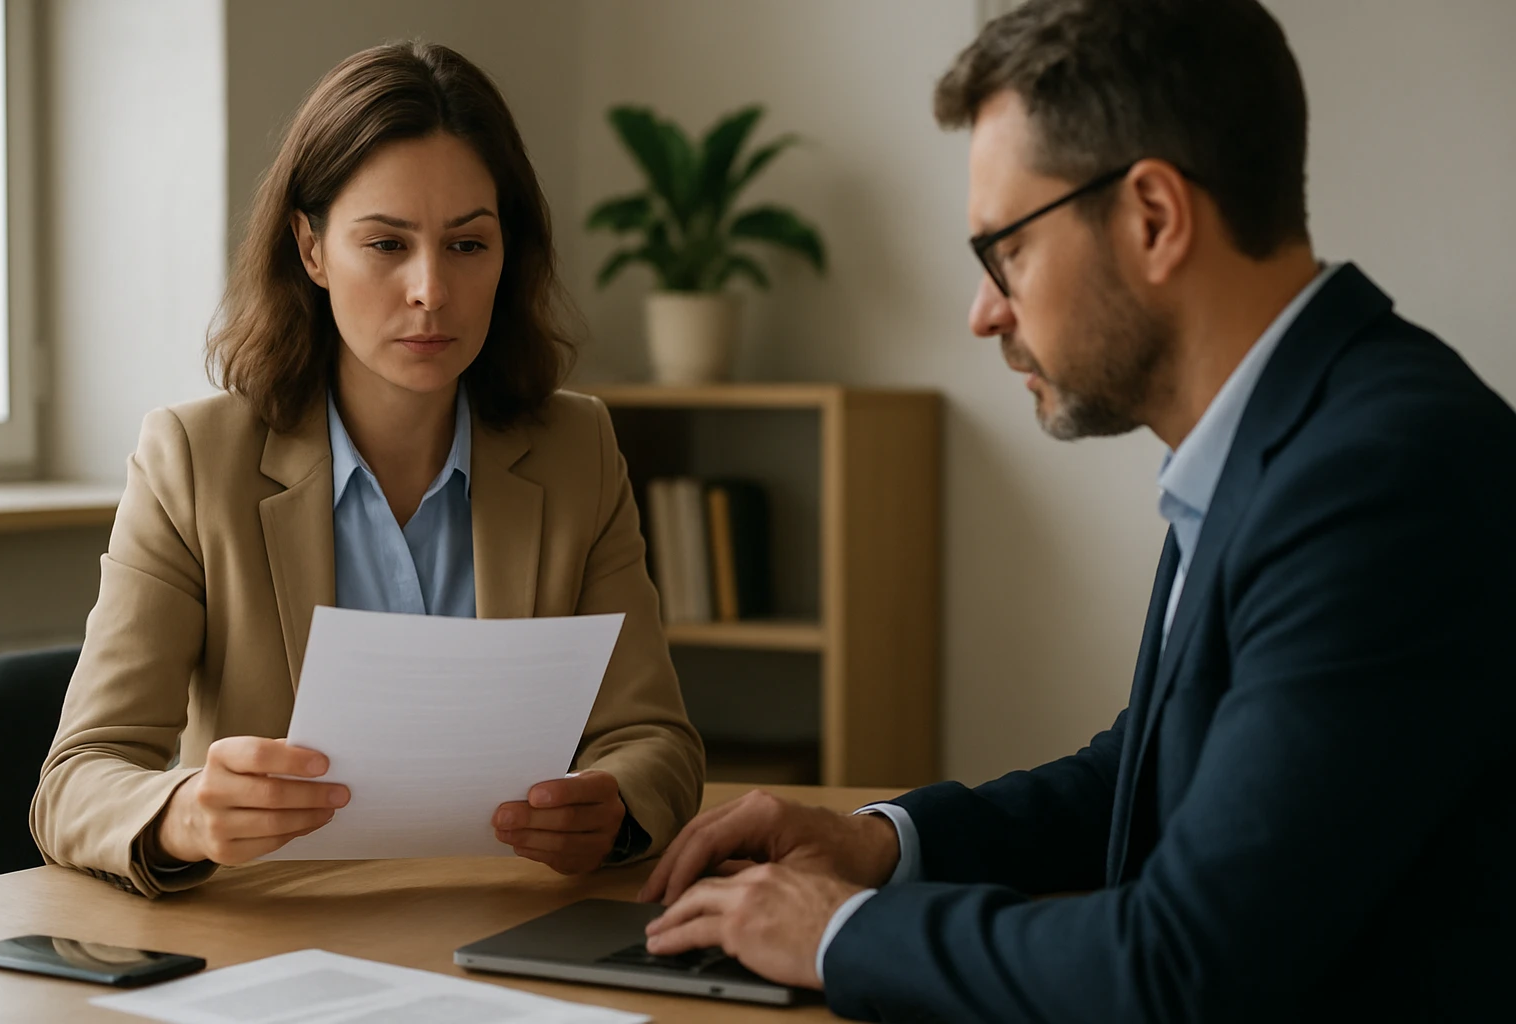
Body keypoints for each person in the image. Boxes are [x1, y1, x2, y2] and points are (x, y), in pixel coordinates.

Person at [638, 1, 1516, 1020]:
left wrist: (836, 933)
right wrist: (879, 841)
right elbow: (1146, 780)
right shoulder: (1290, 435)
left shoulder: (1377, 477)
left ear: (1153, 218)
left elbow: (1182, 967)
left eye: (1004, 251)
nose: (983, 313)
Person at [31, 41, 704, 898]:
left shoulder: (579, 449)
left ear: (508, 254)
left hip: (507, 919)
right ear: (310, 249)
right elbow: (75, 780)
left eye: (468, 245)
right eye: (386, 243)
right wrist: (184, 813)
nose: (430, 290)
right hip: (278, 932)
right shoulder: (191, 461)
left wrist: (613, 806)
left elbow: (656, 741)